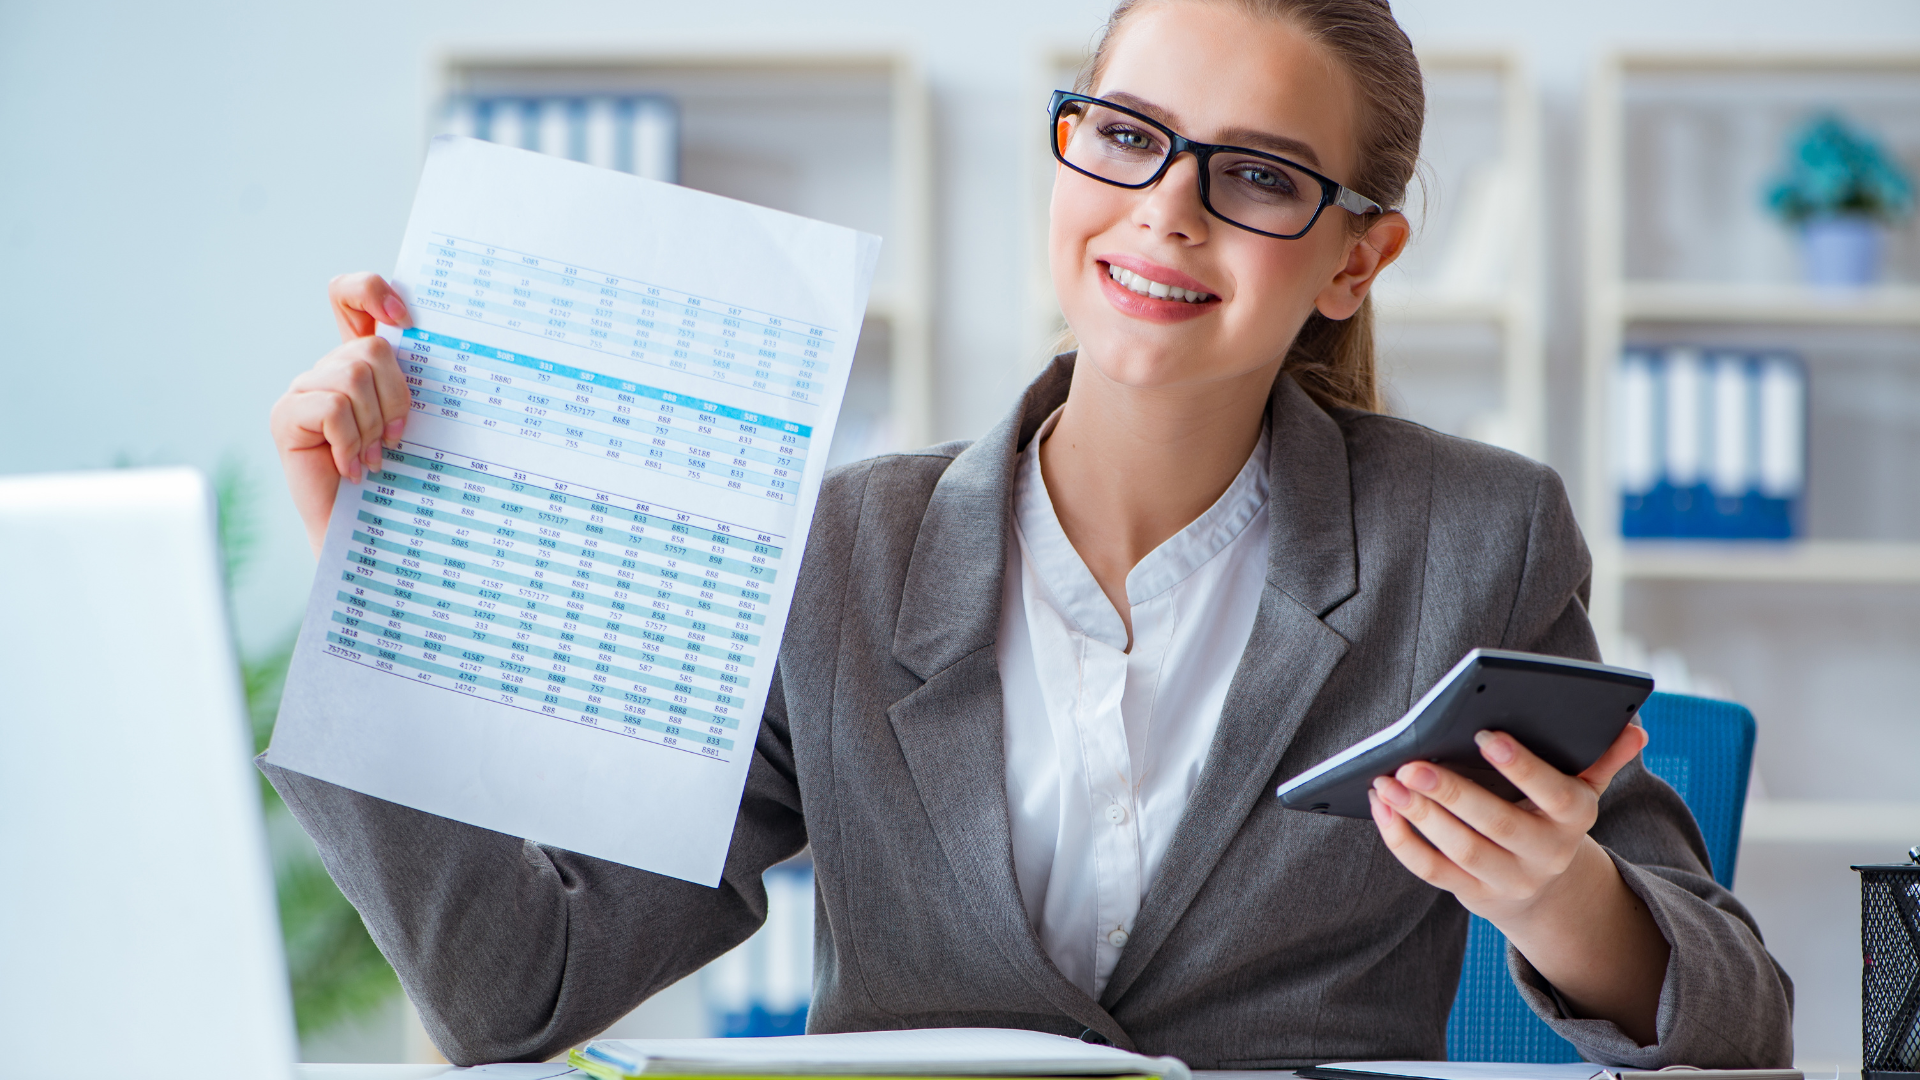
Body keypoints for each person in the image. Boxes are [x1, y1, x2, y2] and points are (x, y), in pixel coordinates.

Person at [265, 0, 1793, 1068]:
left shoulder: (1475, 538)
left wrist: (1559, 899)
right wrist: (372, 591)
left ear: (1356, 258)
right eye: (1128, 134)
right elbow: (514, 990)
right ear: (1068, 154)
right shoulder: (846, 552)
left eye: (1259, 176)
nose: (1170, 210)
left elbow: (1742, 1019)